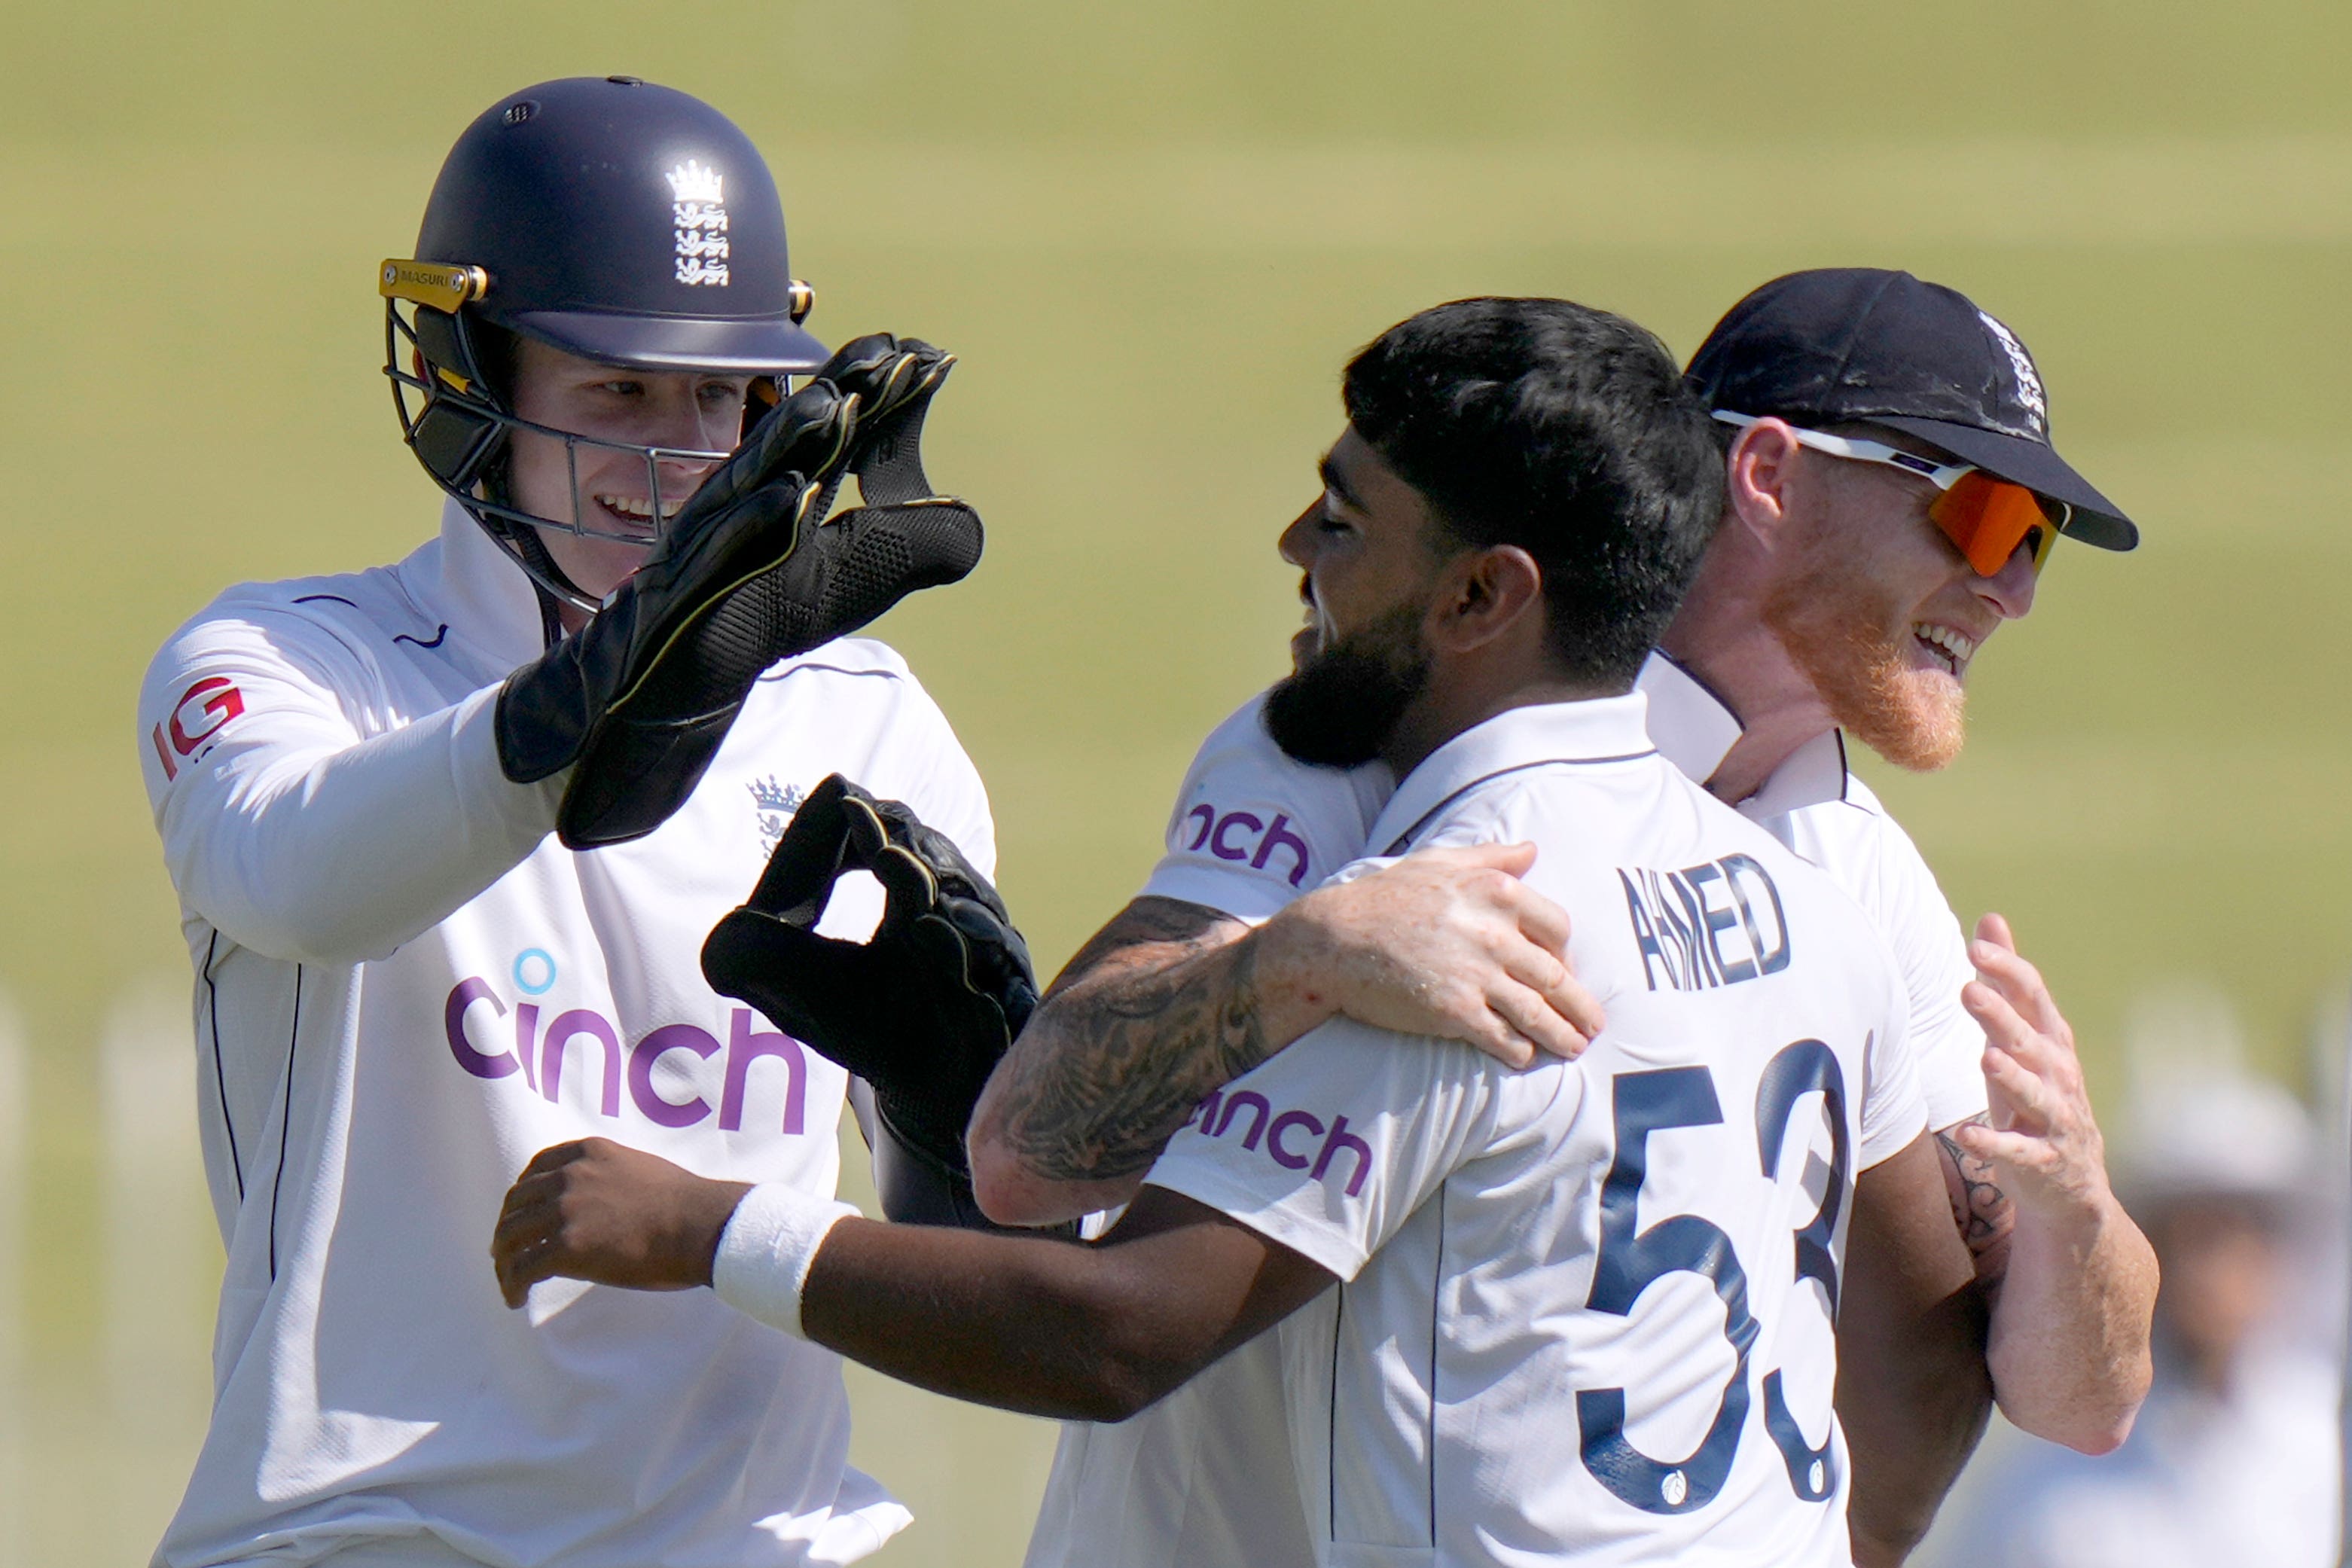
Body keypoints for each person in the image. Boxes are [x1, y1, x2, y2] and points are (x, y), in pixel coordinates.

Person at [139, 78, 1598, 1568]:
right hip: (355, 1537)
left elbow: (989, 1263)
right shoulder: (283, 664)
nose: (678, 456)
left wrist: (933, 1115)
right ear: (469, 377)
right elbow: (304, 880)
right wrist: (616, 686)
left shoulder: (862, 713)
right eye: (617, 393)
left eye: (716, 397)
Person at [493, 295, 1982, 1567]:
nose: (1294, 546)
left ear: (1479, 594)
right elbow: (1918, 1365)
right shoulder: (1817, 900)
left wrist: (704, 1231)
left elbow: (1118, 1328)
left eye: (1343, 520)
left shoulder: (1452, 945)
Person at [960, 267, 2161, 1568]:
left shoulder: (1863, 881)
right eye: (1984, 521)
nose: (2012, 589)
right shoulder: (1372, 742)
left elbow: (2072, 1398)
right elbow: (1031, 1148)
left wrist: (2079, 1209)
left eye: (2032, 542)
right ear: (1766, 473)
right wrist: (1285, 961)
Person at [1934, 1070, 2338, 1568]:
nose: (2210, 1272)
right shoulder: (2048, 1476)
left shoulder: (2322, 1442)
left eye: (2231, 1236)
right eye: (2189, 1238)